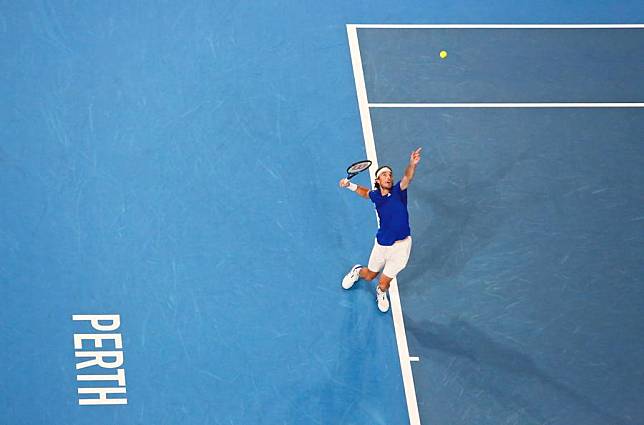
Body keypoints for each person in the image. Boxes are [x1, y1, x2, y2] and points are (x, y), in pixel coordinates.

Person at [339, 148, 422, 312]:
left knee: (384, 283)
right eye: (384, 174)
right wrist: (349, 185)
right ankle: (357, 271)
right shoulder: (376, 196)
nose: (389, 177)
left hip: (402, 247)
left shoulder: (399, 192)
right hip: (382, 244)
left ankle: (380, 292)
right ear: (377, 180)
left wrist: (412, 164)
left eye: (390, 175)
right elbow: (365, 193)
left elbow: (407, 177)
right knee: (370, 275)